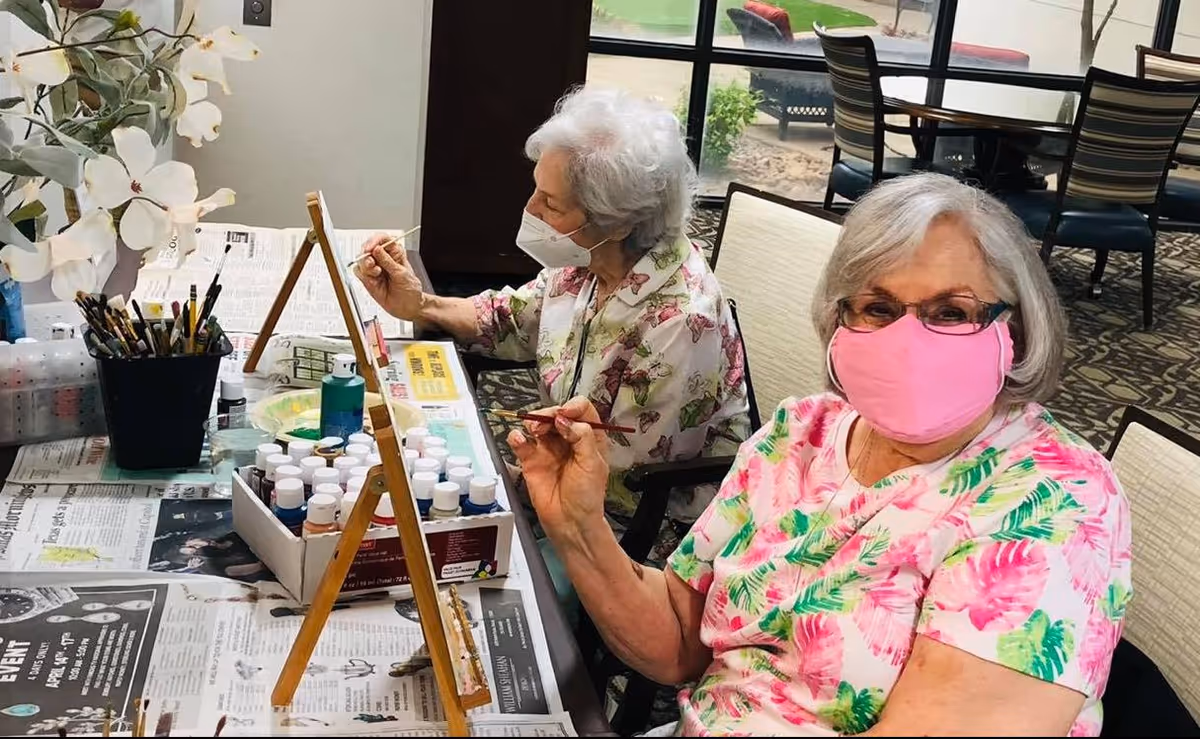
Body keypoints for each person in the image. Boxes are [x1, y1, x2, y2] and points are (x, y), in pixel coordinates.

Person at [508, 173, 1132, 736]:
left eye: (951, 312)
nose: (908, 341)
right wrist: (577, 524)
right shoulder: (801, 432)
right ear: (839, 320)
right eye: (878, 308)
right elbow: (678, 640)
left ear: (1014, 329)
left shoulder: (1053, 499)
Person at [356, 87, 751, 571]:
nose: (531, 211)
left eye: (551, 203)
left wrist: (493, 477)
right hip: (557, 478)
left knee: (448, 561)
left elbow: (621, 482)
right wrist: (421, 304)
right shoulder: (589, 258)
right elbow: (512, 319)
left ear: (616, 223)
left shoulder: (681, 322)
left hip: (641, 535)